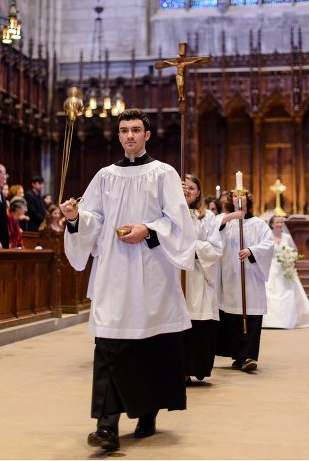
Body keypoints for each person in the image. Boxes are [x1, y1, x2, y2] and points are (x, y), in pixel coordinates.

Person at [61, 108, 196, 451]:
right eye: (124, 130)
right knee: (107, 341)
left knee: (150, 344)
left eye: (136, 130)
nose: (130, 136)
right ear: (119, 135)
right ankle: (106, 426)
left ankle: (147, 412)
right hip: (114, 273)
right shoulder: (105, 175)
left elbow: (179, 223)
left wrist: (148, 229)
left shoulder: (163, 173)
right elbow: (94, 219)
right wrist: (76, 218)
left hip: (151, 272)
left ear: (147, 135)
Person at [216, 191, 275, 372]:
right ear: (231, 201)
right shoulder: (227, 222)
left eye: (242, 196)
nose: (238, 199)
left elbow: (268, 244)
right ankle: (239, 355)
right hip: (231, 277)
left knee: (252, 316)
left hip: (251, 278)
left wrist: (251, 250)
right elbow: (212, 232)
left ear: (248, 200)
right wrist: (228, 219)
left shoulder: (259, 224)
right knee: (232, 318)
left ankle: (249, 356)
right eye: (235, 196)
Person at [182, 174, 223, 383]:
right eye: (184, 187)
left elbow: (216, 248)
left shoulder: (206, 217)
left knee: (197, 323)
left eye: (192, 188)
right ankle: (178, 370)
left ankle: (193, 368)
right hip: (175, 279)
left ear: (198, 192)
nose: (187, 191)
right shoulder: (170, 214)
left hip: (198, 276)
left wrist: (188, 248)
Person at [263, 215, 309, 329]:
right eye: (277, 222)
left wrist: (289, 258)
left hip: (286, 268)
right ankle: (270, 321)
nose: (280, 224)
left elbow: (294, 252)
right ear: (271, 224)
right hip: (272, 268)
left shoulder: (287, 237)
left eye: (281, 222)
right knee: (270, 292)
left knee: (289, 291)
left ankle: (288, 319)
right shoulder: (267, 237)